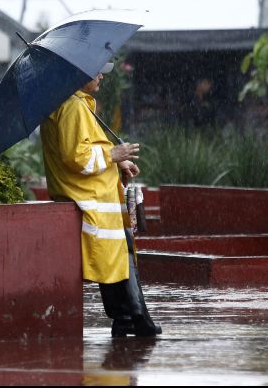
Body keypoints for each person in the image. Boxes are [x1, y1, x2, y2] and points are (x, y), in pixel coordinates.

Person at [40, 63, 162, 338]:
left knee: (116, 257)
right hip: (90, 199)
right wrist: (113, 155)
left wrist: (118, 162)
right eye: (96, 70)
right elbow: (77, 157)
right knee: (121, 254)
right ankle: (136, 318)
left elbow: (85, 149)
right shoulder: (72, 106)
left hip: (95, 196)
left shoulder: (75, 104)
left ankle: (128, 319)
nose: (101, 75)